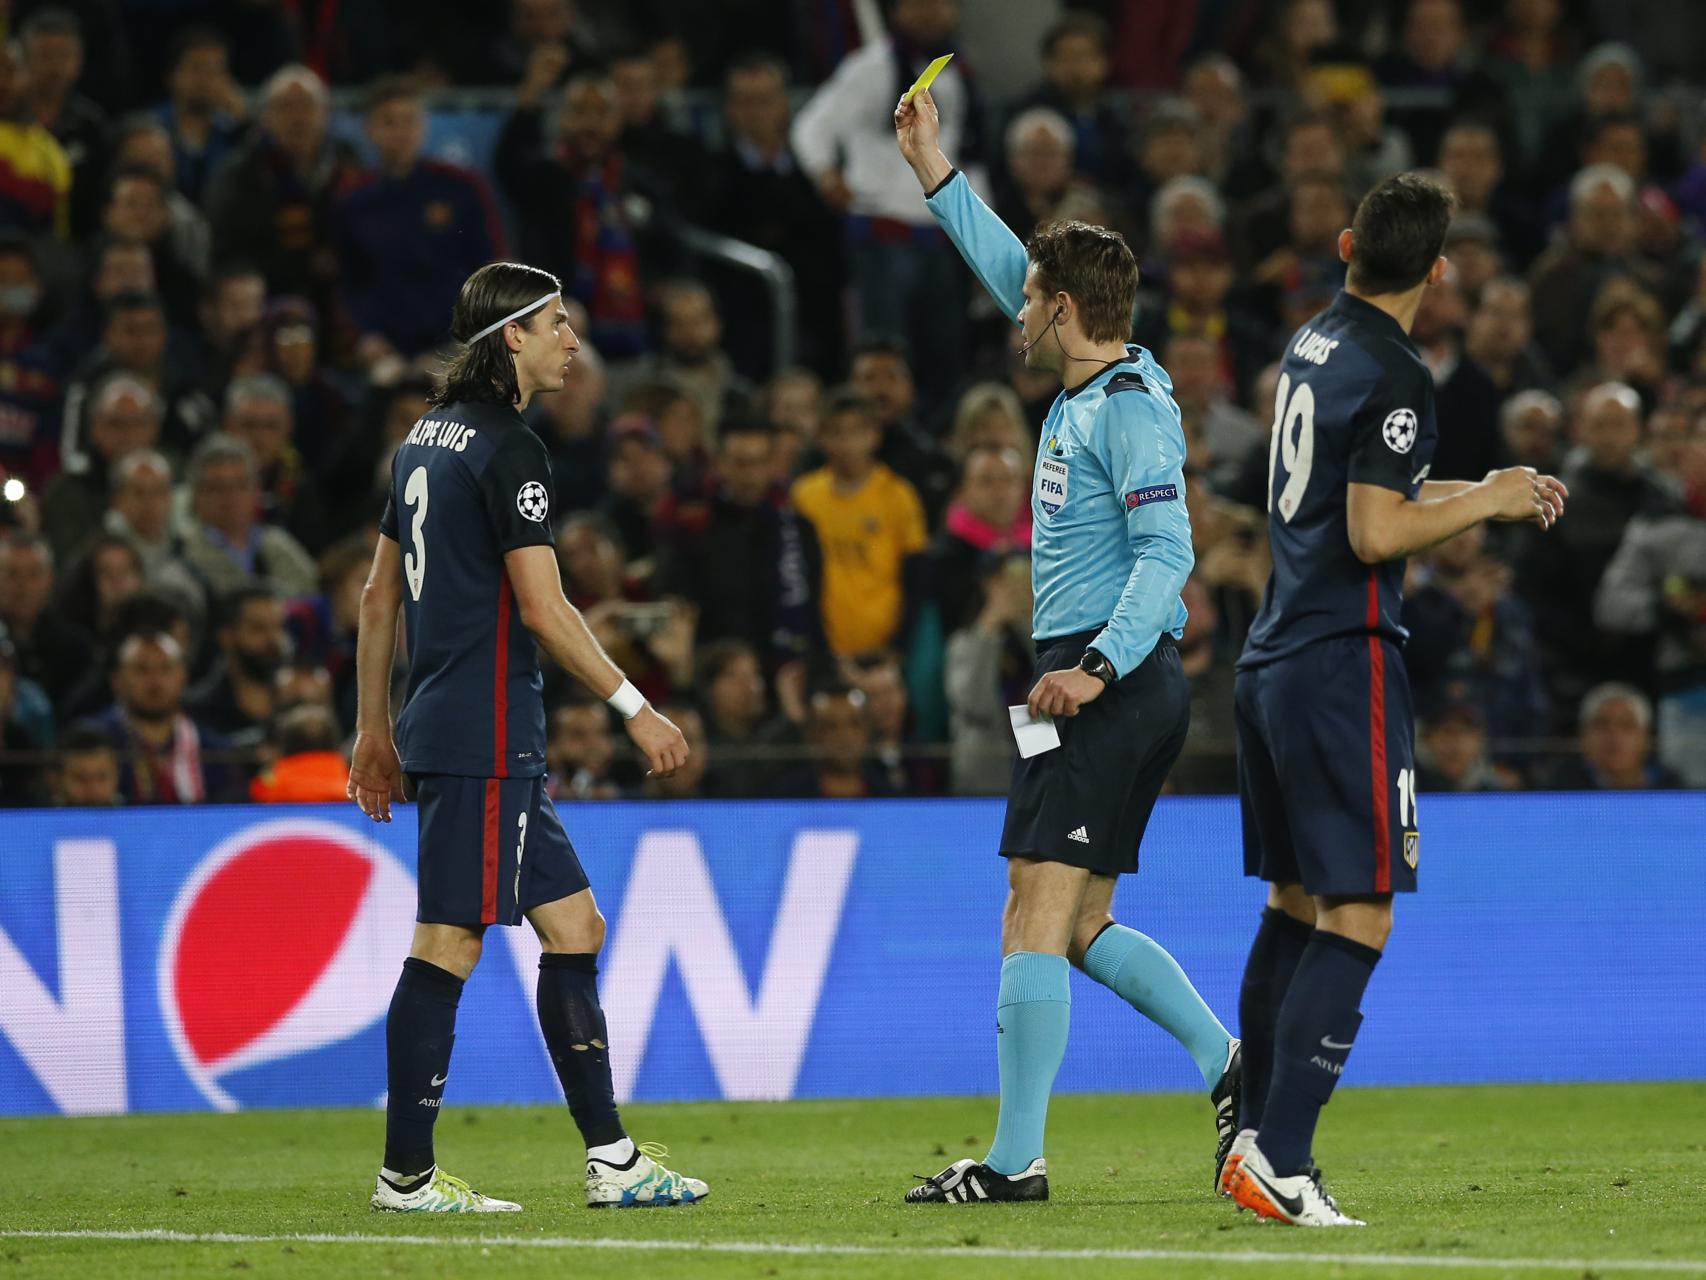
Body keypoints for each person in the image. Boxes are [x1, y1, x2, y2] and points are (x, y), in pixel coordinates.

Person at [893, 87, 1238, 1206]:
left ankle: (1013, 1159)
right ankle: (1227, 1061)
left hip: (1106, 680)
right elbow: (1007, 265)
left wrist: (1093, 667)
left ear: (1069, 309)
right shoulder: (1083, 375)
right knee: (1065, 915)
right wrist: (934, 168)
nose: (1014, 312)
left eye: (1031, 301)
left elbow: (1167, 551)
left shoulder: (1128, 404)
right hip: (1074, 686)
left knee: (1039, 901)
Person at [1225, 173, 1568, 1227]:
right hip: (1342, 661)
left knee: (1291, 900)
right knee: (1361, 907)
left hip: (1271, 652)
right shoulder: (1398, 370)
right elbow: (1375, 532)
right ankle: (1278, 1157)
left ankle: (1245, 1137)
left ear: (1341, 247)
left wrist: (1477, 488)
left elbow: (1357, 495)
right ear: (1438, 270)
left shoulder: (1313, 345)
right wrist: (1489, 504)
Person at [347, 261, 706, 1213]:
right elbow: (544, 611)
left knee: (575, 925)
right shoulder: (509, 449)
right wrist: (638, 707)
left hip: (451, 723)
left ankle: (615, 1163)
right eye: (558, 324)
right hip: (484, 730)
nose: (573, 341)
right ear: (513, 336)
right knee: (448, 940)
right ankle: (406, 1177)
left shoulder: (423, 438)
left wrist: (373, 730)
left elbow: (380, 594)